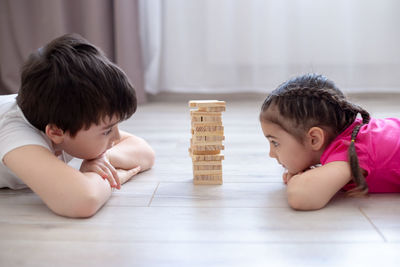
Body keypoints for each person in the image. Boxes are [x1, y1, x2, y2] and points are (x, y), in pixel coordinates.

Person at [0, 34, 155, 217]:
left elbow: (144, 152)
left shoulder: (63, 117)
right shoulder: (14, 132)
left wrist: (102, 161)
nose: (116, 138)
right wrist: (110, 178)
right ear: (56, 132)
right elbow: (83, 200)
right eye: (107, 131)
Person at [259, 73, 400, 210]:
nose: (271, 154)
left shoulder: (350, 152)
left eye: (275, 143)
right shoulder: (353, 132)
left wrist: (300, 179)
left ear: (314, 138)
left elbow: (301, 196)